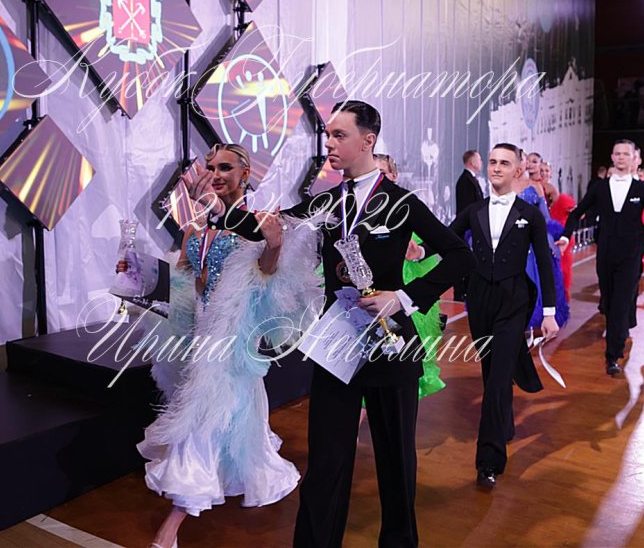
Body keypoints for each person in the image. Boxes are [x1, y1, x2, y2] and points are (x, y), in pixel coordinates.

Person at [215, 100, 475, 548]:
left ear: (367, 141)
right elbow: (267, 226)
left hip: (391, 344)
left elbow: (460, 256)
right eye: (328, 135)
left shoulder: (402, 203)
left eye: (339, 135)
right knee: (326, 461)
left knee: (396, 462)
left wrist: (403, 298)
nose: (329, 143)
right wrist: (224, 203)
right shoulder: (326, 202)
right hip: (337, 342)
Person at [137, 144, 321, 548]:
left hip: (233, 337)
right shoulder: (197, 227)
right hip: (199, 330)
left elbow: (268, 274)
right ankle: (229, 474)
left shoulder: (257, 222)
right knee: (226, 417)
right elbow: (183, 278)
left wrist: (274, 246)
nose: (216, 174)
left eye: (225, 167)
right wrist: (140, 279)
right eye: (210, 167)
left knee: (203, 418)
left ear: (245, 172)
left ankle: (173, 524)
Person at [449, 143, 560, 488]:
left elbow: (544, 263)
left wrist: (550, 313)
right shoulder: (474, 210)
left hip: (514, 300)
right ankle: (504, 423)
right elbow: (448, 239)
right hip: (480, 299)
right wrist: (420, 251)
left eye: (504, 163)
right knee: (491, 372)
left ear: (517, 170)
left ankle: (489, 461)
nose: (496, 167)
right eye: (493, 161)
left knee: (497, 379)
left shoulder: (530, 214)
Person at [559, 140, 644, 376]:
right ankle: (619, 334)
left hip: (631, 255)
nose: (621, 157)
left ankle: (613, 355)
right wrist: (565, 235)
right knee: (610, 301)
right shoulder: (600, 188)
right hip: (605, 254)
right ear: (612, 157)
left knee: (622, 302)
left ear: (634, 158)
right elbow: (577, 212)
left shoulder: (643, 189)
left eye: (626, 153)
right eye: (617, 153)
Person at [375, 153, 446, 399]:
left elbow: (442, 239)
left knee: (408, 352)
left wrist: (419, 252)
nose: (378, 180)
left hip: (408, 282)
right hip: (373, 289)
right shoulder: (359, 209)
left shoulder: (407, 206)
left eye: (382, 173)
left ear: (394, 176)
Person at [515, 151, 570, 331]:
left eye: (526, 160)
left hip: (530, 244)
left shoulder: (536, 187)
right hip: (507, 244)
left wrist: (549, 240)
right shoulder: (502, 186)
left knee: (531, 281)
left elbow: (545, 219)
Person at [454, 150, 484, 302]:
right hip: (467, 231)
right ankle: (462, 291)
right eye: (479, 159)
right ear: (472, 162)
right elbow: (467, 209)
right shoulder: (465, 181)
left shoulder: (471, 179)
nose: (481, 162)